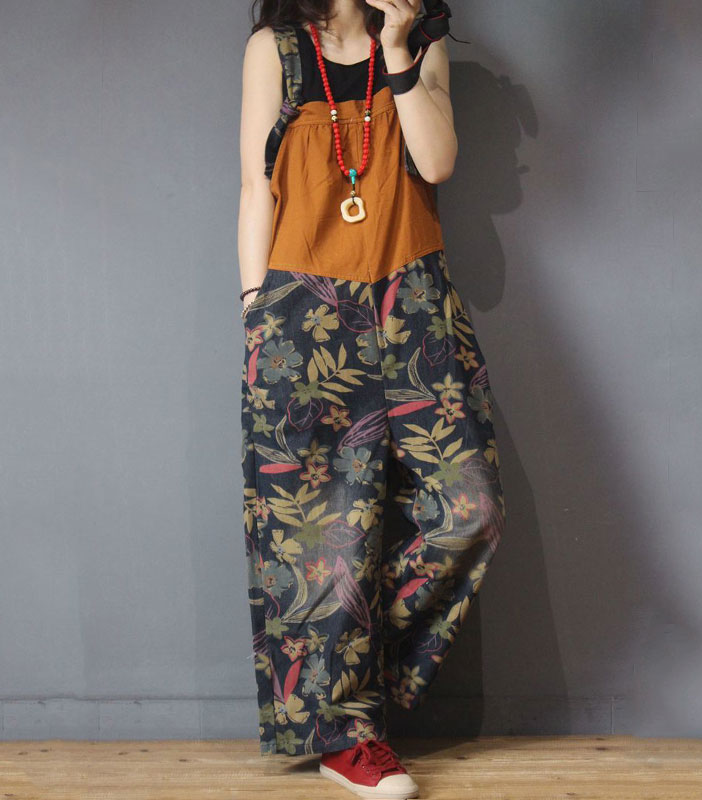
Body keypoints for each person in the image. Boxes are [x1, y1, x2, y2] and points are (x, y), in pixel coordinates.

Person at [238, 1, 506, 796]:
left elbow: (437, 160)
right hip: (305, 310)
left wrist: (396, 49)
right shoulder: (276, 50)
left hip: (414, 300)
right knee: (327, 536)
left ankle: (339, 690)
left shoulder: (417, 45)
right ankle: (347, 739)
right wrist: (256, 315)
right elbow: (254, 188)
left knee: (470, 510)